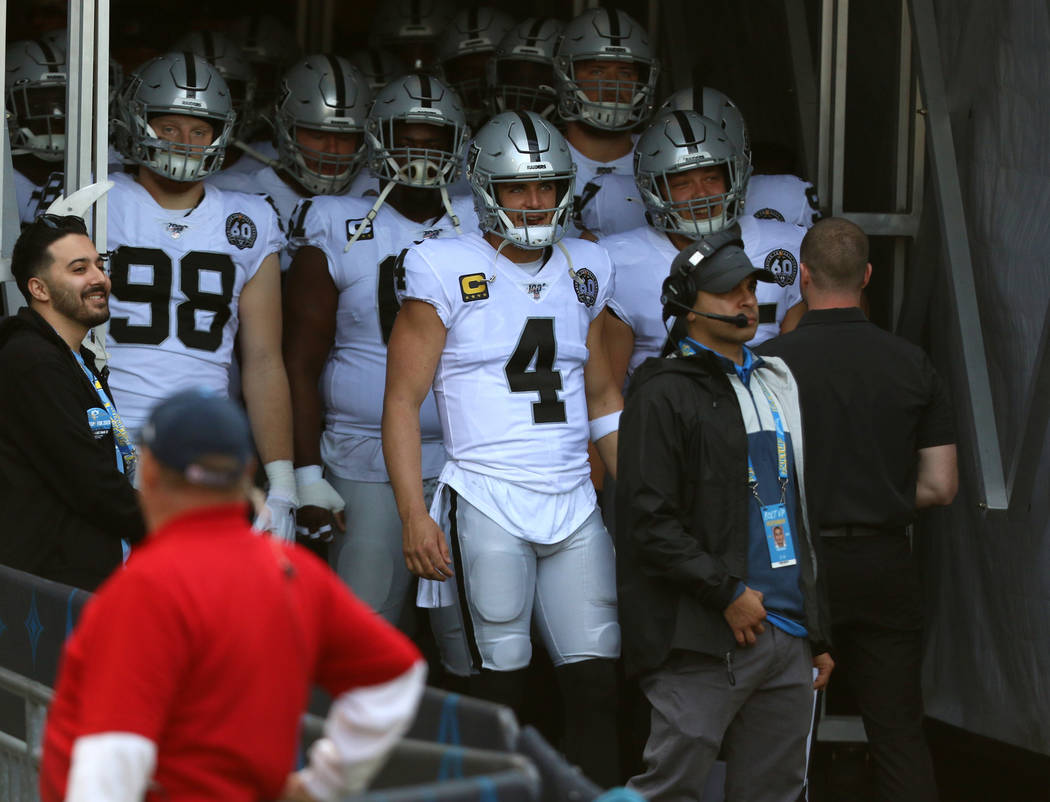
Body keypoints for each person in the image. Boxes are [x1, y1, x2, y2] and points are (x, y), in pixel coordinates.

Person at [382, 110, 623, 784]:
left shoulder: (588, 265)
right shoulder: (442, 264)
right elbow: (401, 400)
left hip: (573, 496)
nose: (536, 201)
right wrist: (412, 513)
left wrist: (632, 496)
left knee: (597, 677)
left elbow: (604, 397)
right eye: (519, 188)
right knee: (502, 683)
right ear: (486, 189)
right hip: (485, 493)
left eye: (547, 187)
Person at [39, 388, 426, 802]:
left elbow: (111, 757)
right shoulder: (296, 573)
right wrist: (322, 785)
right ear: (246, 472)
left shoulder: (147, 587)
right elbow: (395, 676)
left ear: (148, 472)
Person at [616, 232, 833, 801]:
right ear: (685, 304)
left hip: (787, 631)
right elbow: (646, 520)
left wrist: (818, 627)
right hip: (703, 636)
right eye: (726, 291)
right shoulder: (661, 391)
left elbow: (795, 509)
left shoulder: (774, 378)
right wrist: (726, 592)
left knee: (776, 792)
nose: (745, 301)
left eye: (749, 288)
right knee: (670, 788)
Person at [756, 217, 957, 802]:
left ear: (802, 276)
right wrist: (882, 497)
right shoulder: (912, 363)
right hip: (883, 561)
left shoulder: (769, 367)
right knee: (898, 734)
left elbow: (755, 481)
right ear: (867, 276)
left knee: (782, 734)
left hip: (793, 563)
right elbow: (942, 486)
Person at [284, 72, 475, 622]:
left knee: (473, 631)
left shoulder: (483, 223)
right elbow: (299, 361)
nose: (421, 151)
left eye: (436, 139)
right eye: (406, 135)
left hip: (471, 457)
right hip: (362, 453)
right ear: (379, 138)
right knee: (364, 626)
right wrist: (305, 472)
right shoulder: (334, 221)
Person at [107, 51, 298, 540]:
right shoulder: (98, 199)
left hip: (201, 437)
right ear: (137, 123)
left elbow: (262, 359)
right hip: (107, 427)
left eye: (199, 129)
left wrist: (281, 482)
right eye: (168, 127)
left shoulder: (250, 218)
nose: (184, 142)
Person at [602, 109, 807, 393]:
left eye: (711, 178)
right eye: (682, 183)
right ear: (654, 190)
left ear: (733, 177)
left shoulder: (787, 244)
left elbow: (801, 369)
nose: (701, 194)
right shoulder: (619, 261)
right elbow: (607, 392)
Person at [0, 214, 145, 590]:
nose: (99, 278)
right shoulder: (31, 362)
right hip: (47, 595)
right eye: (79, 269)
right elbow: (89, 483)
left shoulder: (73, 359)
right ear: (40, 289)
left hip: (83, 582)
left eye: (100, 264)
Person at [207, 53, 373, 265]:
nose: (332, 150)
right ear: (286, 131)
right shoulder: (235, 195)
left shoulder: (376, 193)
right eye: (317, 135)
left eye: (344, 136)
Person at [553, 7, 659, 237]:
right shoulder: (539, 157)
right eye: (597, 71)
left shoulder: (662, 157)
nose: (612, 85)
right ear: (567, 77)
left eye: (624, 73)